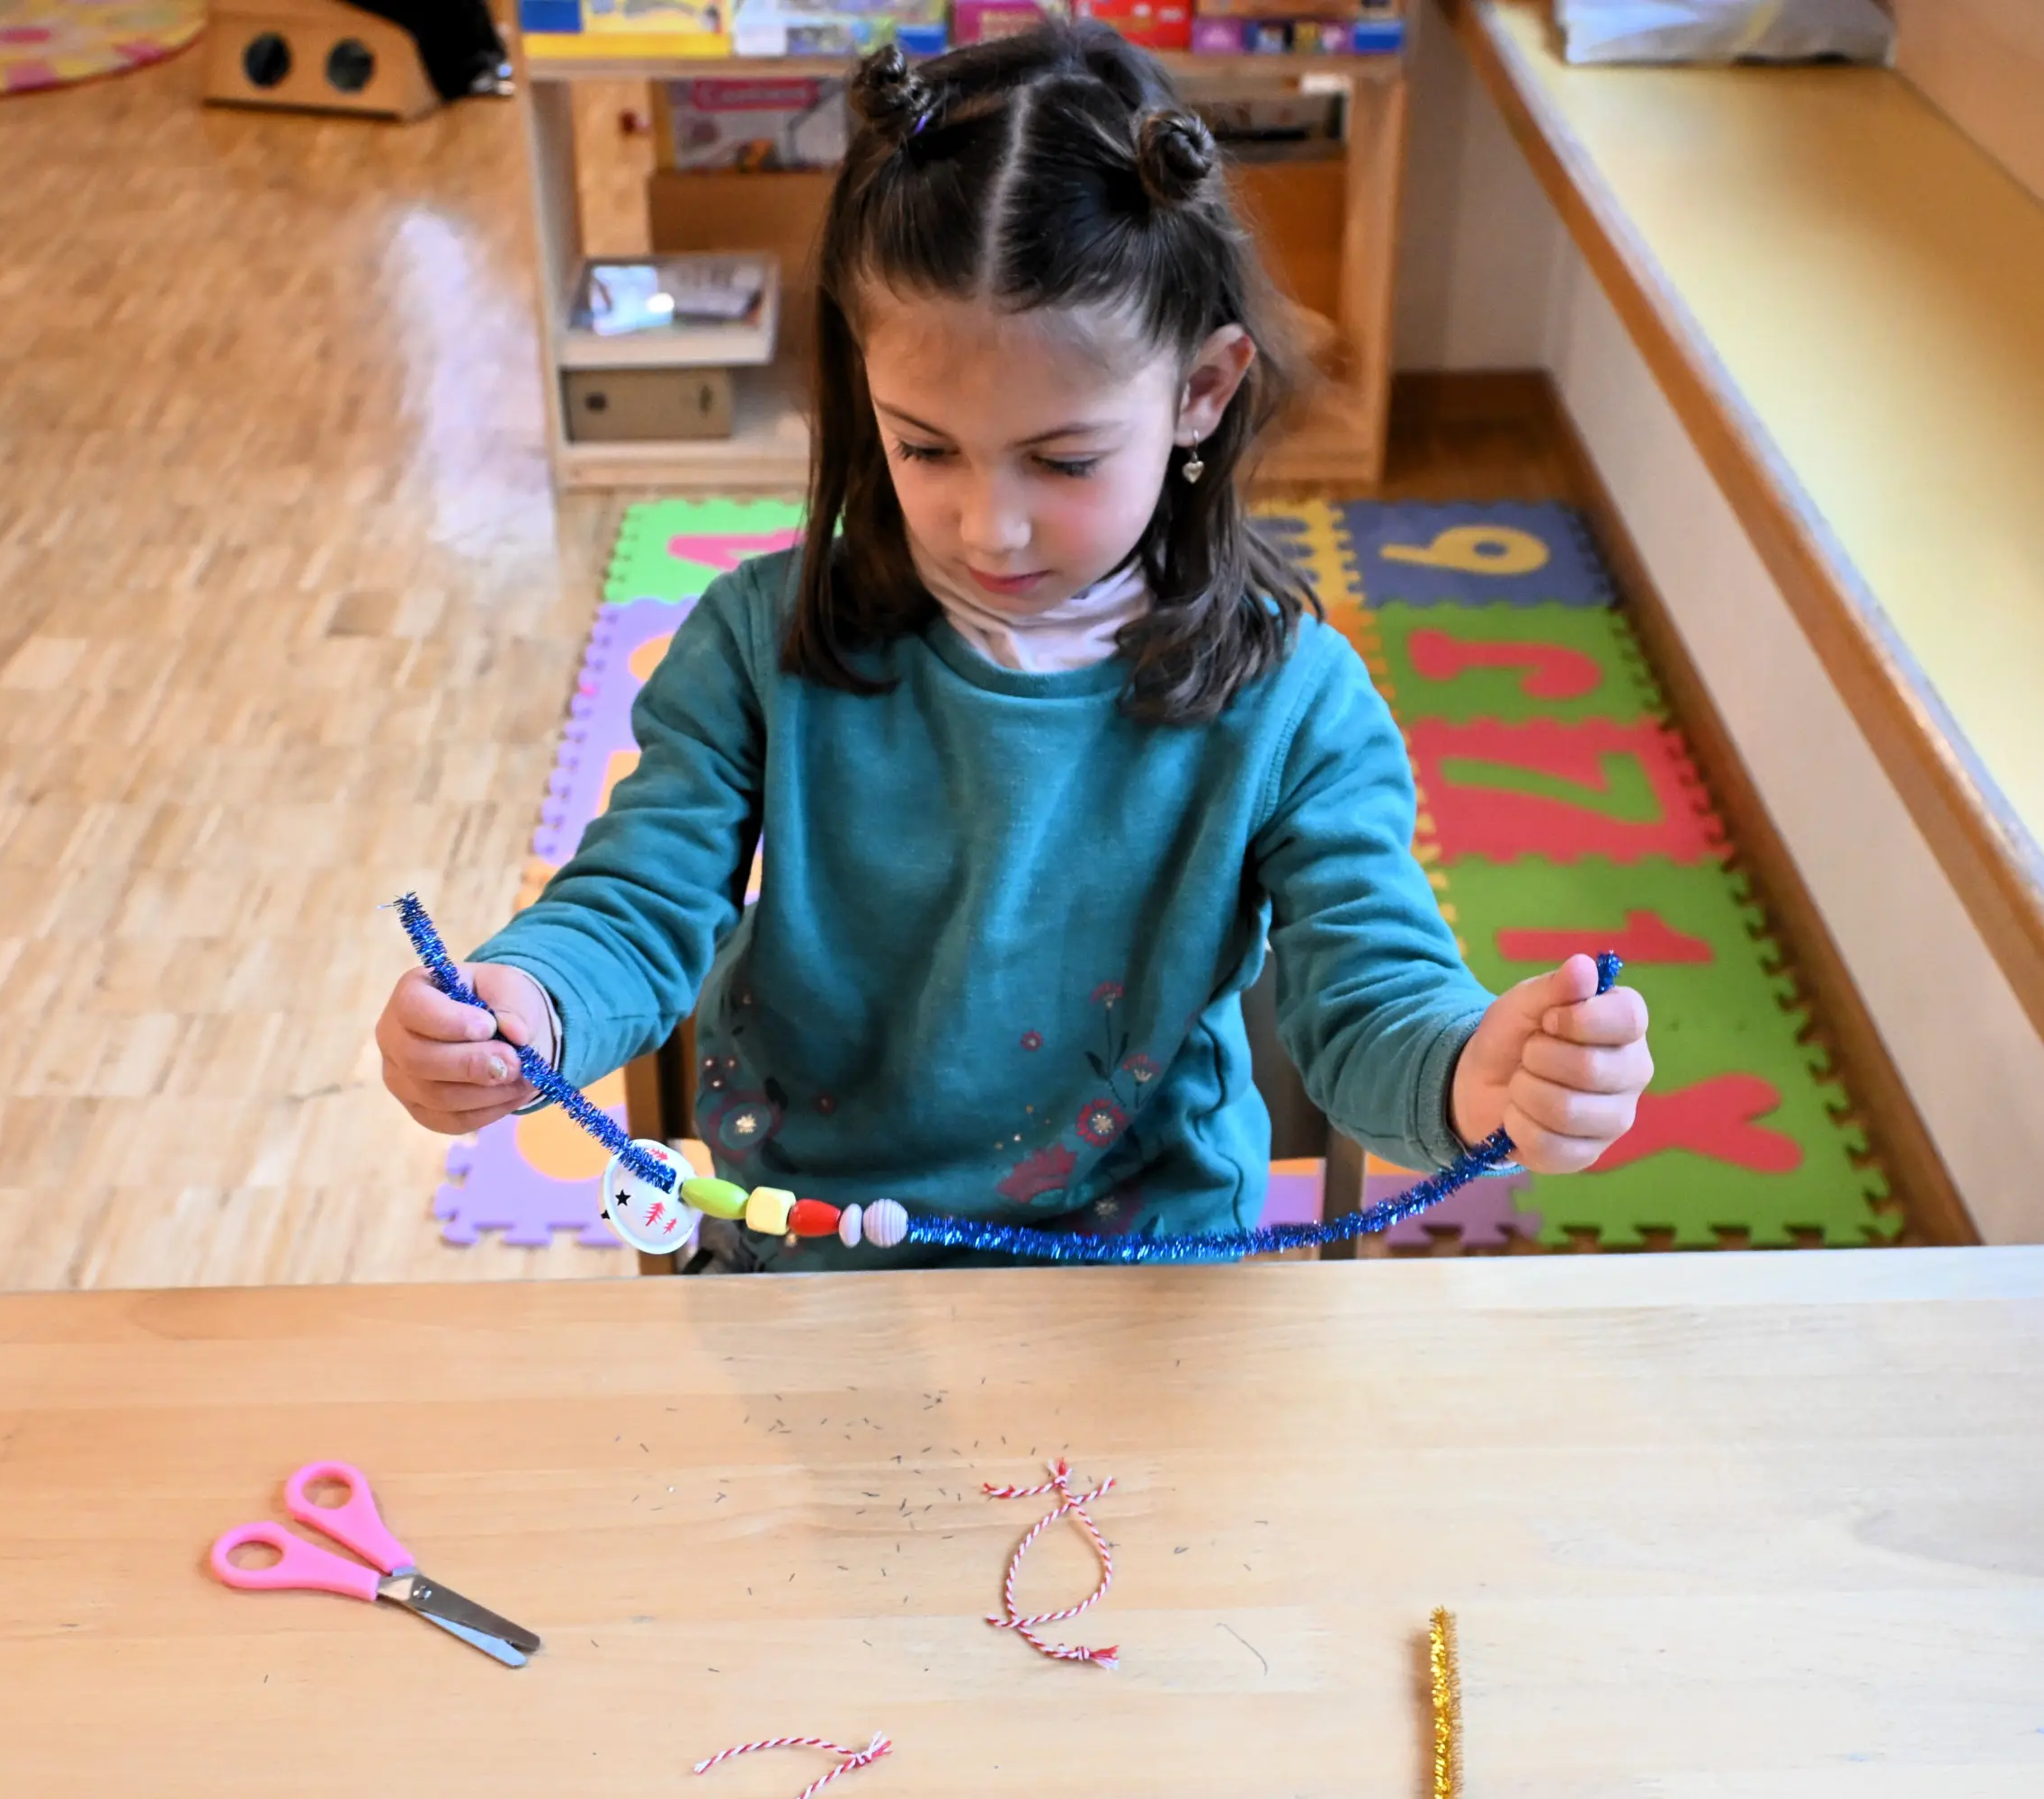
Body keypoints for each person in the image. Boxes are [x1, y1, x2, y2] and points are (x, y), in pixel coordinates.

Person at [376, 24, 1654, 1268]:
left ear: (1203, 390)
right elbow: (640, 901)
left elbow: (1375, 1004)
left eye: (1064, 458)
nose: (988, 525)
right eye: (925, 445)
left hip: (1135, 1289)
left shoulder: (1297, 707)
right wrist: (526, 1003)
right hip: (808, 1261)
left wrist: (1482, 1073)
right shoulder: (758, 646)